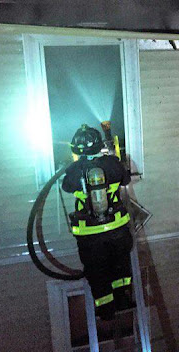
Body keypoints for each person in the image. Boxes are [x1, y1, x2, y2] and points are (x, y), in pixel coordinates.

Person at [62, 124, 133, 320]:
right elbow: (126, 180)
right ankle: (122, 298)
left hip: (90, 235)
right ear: (99, 144)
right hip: (117, 228)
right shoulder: (113, 164)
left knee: (97, 272)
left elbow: (66, 187)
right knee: (120, 266)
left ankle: (106, 310)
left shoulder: (74, 170)